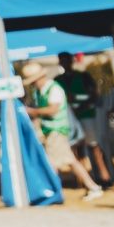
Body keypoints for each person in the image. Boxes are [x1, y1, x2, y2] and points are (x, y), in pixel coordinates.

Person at [20, 59, 103, 201]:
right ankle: (92, 187)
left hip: (57, 130)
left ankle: (54, 190)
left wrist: (33, 112)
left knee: (52, 163)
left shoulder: (54, 89)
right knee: (70, 160)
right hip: (51, 130)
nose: (33, 84)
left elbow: (53, 109)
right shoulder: (40, 92)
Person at [55, 54, 114, 187]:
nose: (65, 63)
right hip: (69, 118)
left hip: (86, 115)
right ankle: (83, 180)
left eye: (67, 60)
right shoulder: (58, 80)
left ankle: (104, 176)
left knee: (94, 145)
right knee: (76, 148)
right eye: (62, 61)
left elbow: (94, 95)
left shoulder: (83, 76)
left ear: (72, 61)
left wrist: (82, 106)